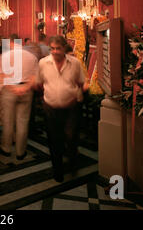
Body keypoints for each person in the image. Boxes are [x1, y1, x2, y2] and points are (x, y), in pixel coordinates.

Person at [35, 36, 88, 182]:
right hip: (50, 107)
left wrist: (80, 93)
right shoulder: (43, 63)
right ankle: (57, 170)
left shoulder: (75, 63)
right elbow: (39, 83)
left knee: (71, 138)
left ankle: (72, 162)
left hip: (71, 108)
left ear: (64, 48)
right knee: (54, 140)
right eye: (52, 48)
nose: (55, 51)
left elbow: (81, 82)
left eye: (58, 48)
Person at [0, 34, 38, 160]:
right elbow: (34, 78)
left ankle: (6, 148)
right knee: (23, 122)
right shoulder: (32, 57)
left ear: (10, 42)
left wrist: (13, 88)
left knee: (8, 122)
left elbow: (2, 76)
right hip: (26, 90)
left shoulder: (4, 56)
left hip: (9, 90)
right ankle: (21, 152)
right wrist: (24, 88)